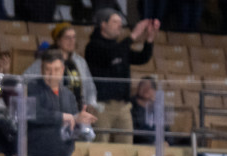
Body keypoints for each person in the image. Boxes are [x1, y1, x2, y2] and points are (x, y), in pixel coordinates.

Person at [27, 51, 95, 156]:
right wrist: (63, 116)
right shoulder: (31, 89)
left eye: (56, 69)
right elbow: (30, 114)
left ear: (63, 69)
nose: (52, 74)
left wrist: (80, 123)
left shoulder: (68, 94)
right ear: (42, 69)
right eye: (48, 69)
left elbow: (72, 122)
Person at [84, 9, 157, 144]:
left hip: (123, 105)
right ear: (103, 24)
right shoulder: (93, 46)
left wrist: (149, 38)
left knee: (126, 145)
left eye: (120, 22)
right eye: (115, 21)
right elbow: (110, 55)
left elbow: (142, 58)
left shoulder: (119, 47)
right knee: (100, 143)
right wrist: (133, 35)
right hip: (102, 106)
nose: (120, 25)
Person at [23, 23, 98, 116]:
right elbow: (26, 79)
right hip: (55, 112)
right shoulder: (47, 60)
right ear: (58, 41)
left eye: (73, 37)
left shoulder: (80, 61)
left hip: (79, 111)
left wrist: (91, 103)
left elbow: (90, 86)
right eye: (67, 38)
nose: (71, 41)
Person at [130, 76, 171, 145]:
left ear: (154, 91)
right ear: (138, 88)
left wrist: (168, 142)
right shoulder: (130, 105)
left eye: (150, 87)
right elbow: (134, 131)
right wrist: (152, 142)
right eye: (143, 86)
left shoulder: (158, 108)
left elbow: (166, 130)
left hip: (158, 144)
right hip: (140, 143)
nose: (146, 89)